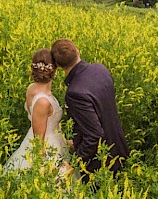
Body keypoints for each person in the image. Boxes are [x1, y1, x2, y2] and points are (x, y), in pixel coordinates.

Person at [50, 38, 129, 178]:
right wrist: (76, 142)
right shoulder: (101, 69)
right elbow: (100, 110)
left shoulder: (75, 93)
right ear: (78, 52)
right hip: (119, 146)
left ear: (57, 65)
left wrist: (75, 163)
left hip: (101, 162)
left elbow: (94, 134)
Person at [3, 48, 69, 173]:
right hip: (47, 147)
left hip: (55, 141)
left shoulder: (32, 88)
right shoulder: (42, 102)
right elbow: (38, 141)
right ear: (54, 70)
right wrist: (46, 166)